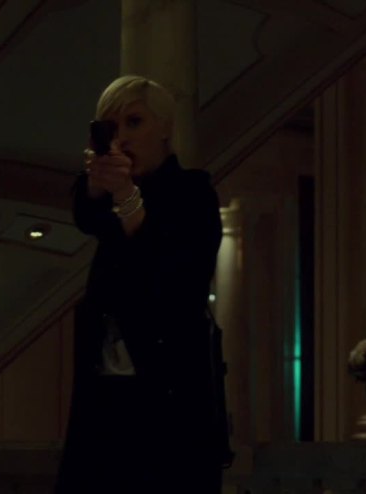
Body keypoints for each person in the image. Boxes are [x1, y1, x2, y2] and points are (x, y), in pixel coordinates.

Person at [55, 75, 224, 493]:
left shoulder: (192, 192)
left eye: (134, 122)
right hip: (105, 393)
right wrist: (101, 185)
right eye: (111, 127)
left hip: (168, 397)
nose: (123, 137)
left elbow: (173, 276)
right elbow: (86, 215)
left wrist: (126, 195)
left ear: (164, 127)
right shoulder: (112, 201)